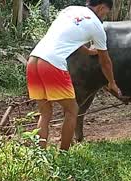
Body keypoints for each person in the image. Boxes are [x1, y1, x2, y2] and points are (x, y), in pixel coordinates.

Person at [26, 0, 121, 150]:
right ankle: (64, 153)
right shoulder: (97, 26)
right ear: (102, 7)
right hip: (52, 64)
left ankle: (39, 154)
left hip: (33, 60)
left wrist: (88, 51)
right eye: (106, 13)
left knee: (45, 112)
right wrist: (112, 82)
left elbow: (65, 37)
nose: (104, 16)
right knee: (72, 110)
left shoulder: (70, 10)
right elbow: (105, 61)